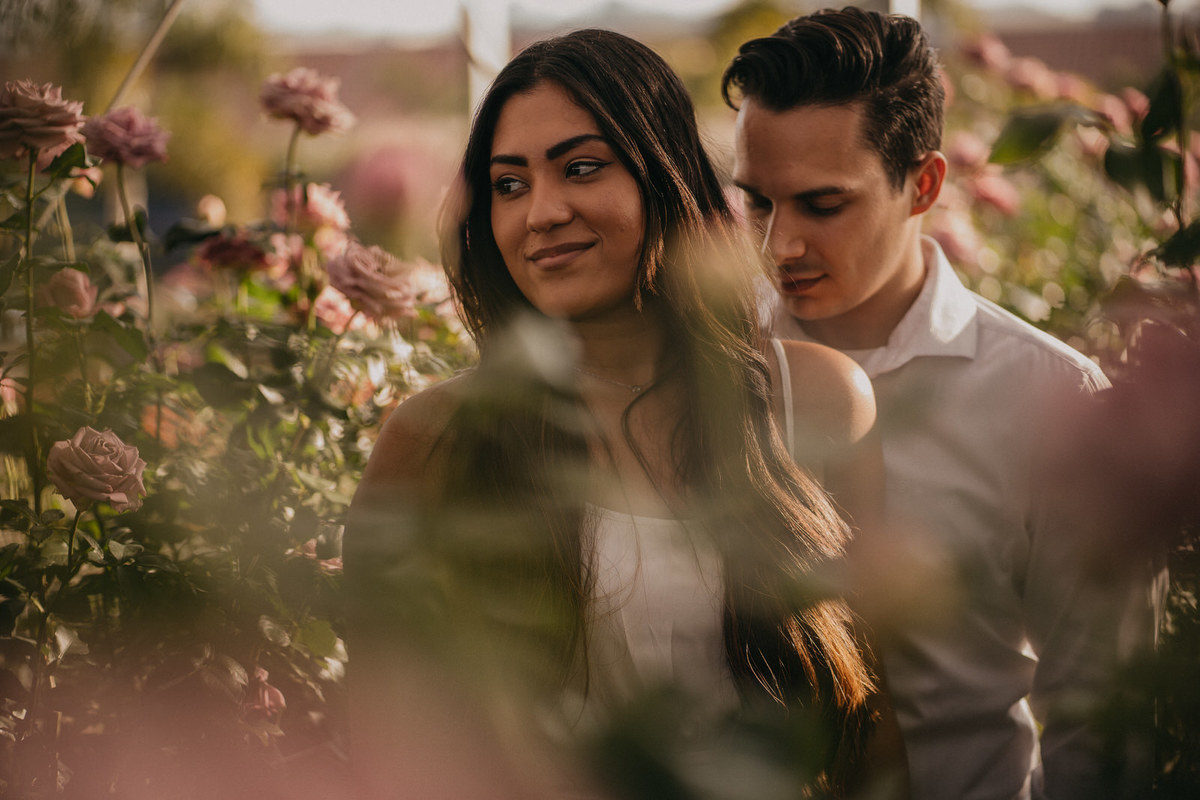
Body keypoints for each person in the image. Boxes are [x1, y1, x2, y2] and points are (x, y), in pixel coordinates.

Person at [345, 27, 902, 799]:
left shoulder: (815, 400)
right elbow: (386, 741)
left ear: (662, 173)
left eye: (580, 168)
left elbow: (874, 724)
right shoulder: (436, 437)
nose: (540, 212)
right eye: (508, 184)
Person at [722, 7, 1160, 800]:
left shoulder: (1049, 402)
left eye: (823, 205)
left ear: (923, 184)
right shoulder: (709, 365)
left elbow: (1102, 720)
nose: (779, 245)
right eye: (758, 202)